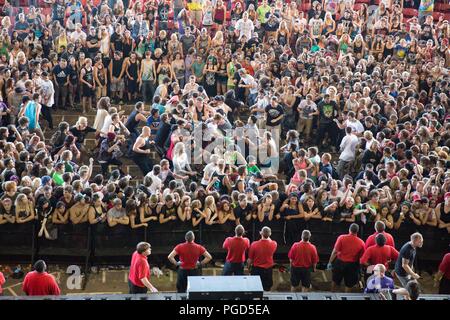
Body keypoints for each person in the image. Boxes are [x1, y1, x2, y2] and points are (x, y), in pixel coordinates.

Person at [328, 223, 365, 292]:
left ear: (349, 229)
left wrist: (330, 262)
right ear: (357, 231)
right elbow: (361, 257)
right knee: (349, 285)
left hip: (340, 263)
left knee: (335, 281)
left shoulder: (341, 238)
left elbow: (335, 252)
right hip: (352, 265)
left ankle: (332, 296)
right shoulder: (361, 242)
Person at [248, 226, 277, 291]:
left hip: (256, 269)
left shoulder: (254, 244)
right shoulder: (274, 244)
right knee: (267, 289)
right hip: (268, 270)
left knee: (255, 290)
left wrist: (249, 268)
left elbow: (250, 260)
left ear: (260, 233)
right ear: (270, 234)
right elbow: (270, 240)